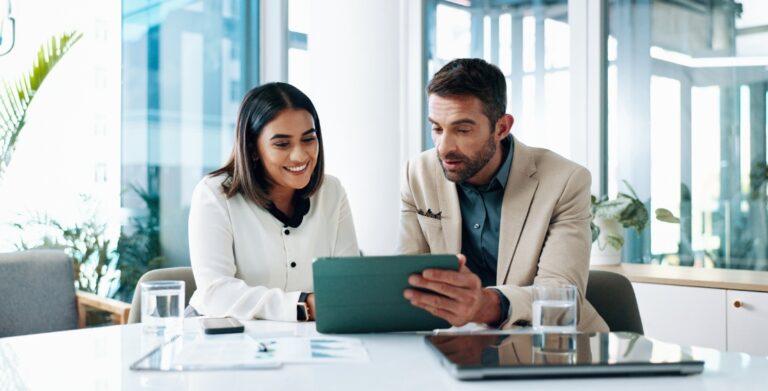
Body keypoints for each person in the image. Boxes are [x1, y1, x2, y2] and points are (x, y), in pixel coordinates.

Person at [398, 58, 608, 332]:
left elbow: (561, 297)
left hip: (550, 346)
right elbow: (407, 283)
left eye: (462, 130)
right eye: (437, 128)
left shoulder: (565, 181)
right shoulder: (418, 173)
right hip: (457, 343)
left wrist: (484, 304)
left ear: (501, 128)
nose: (443, 147)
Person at [188, 82, 359, 322]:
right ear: (253, 148)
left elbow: (348, 282)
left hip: (305, 338)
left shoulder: (332, 192)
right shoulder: (214, 194)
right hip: (221, 334)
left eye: (308, 139)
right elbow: (215, 293)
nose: (300, 155)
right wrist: (303, 304)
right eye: (282, 144)